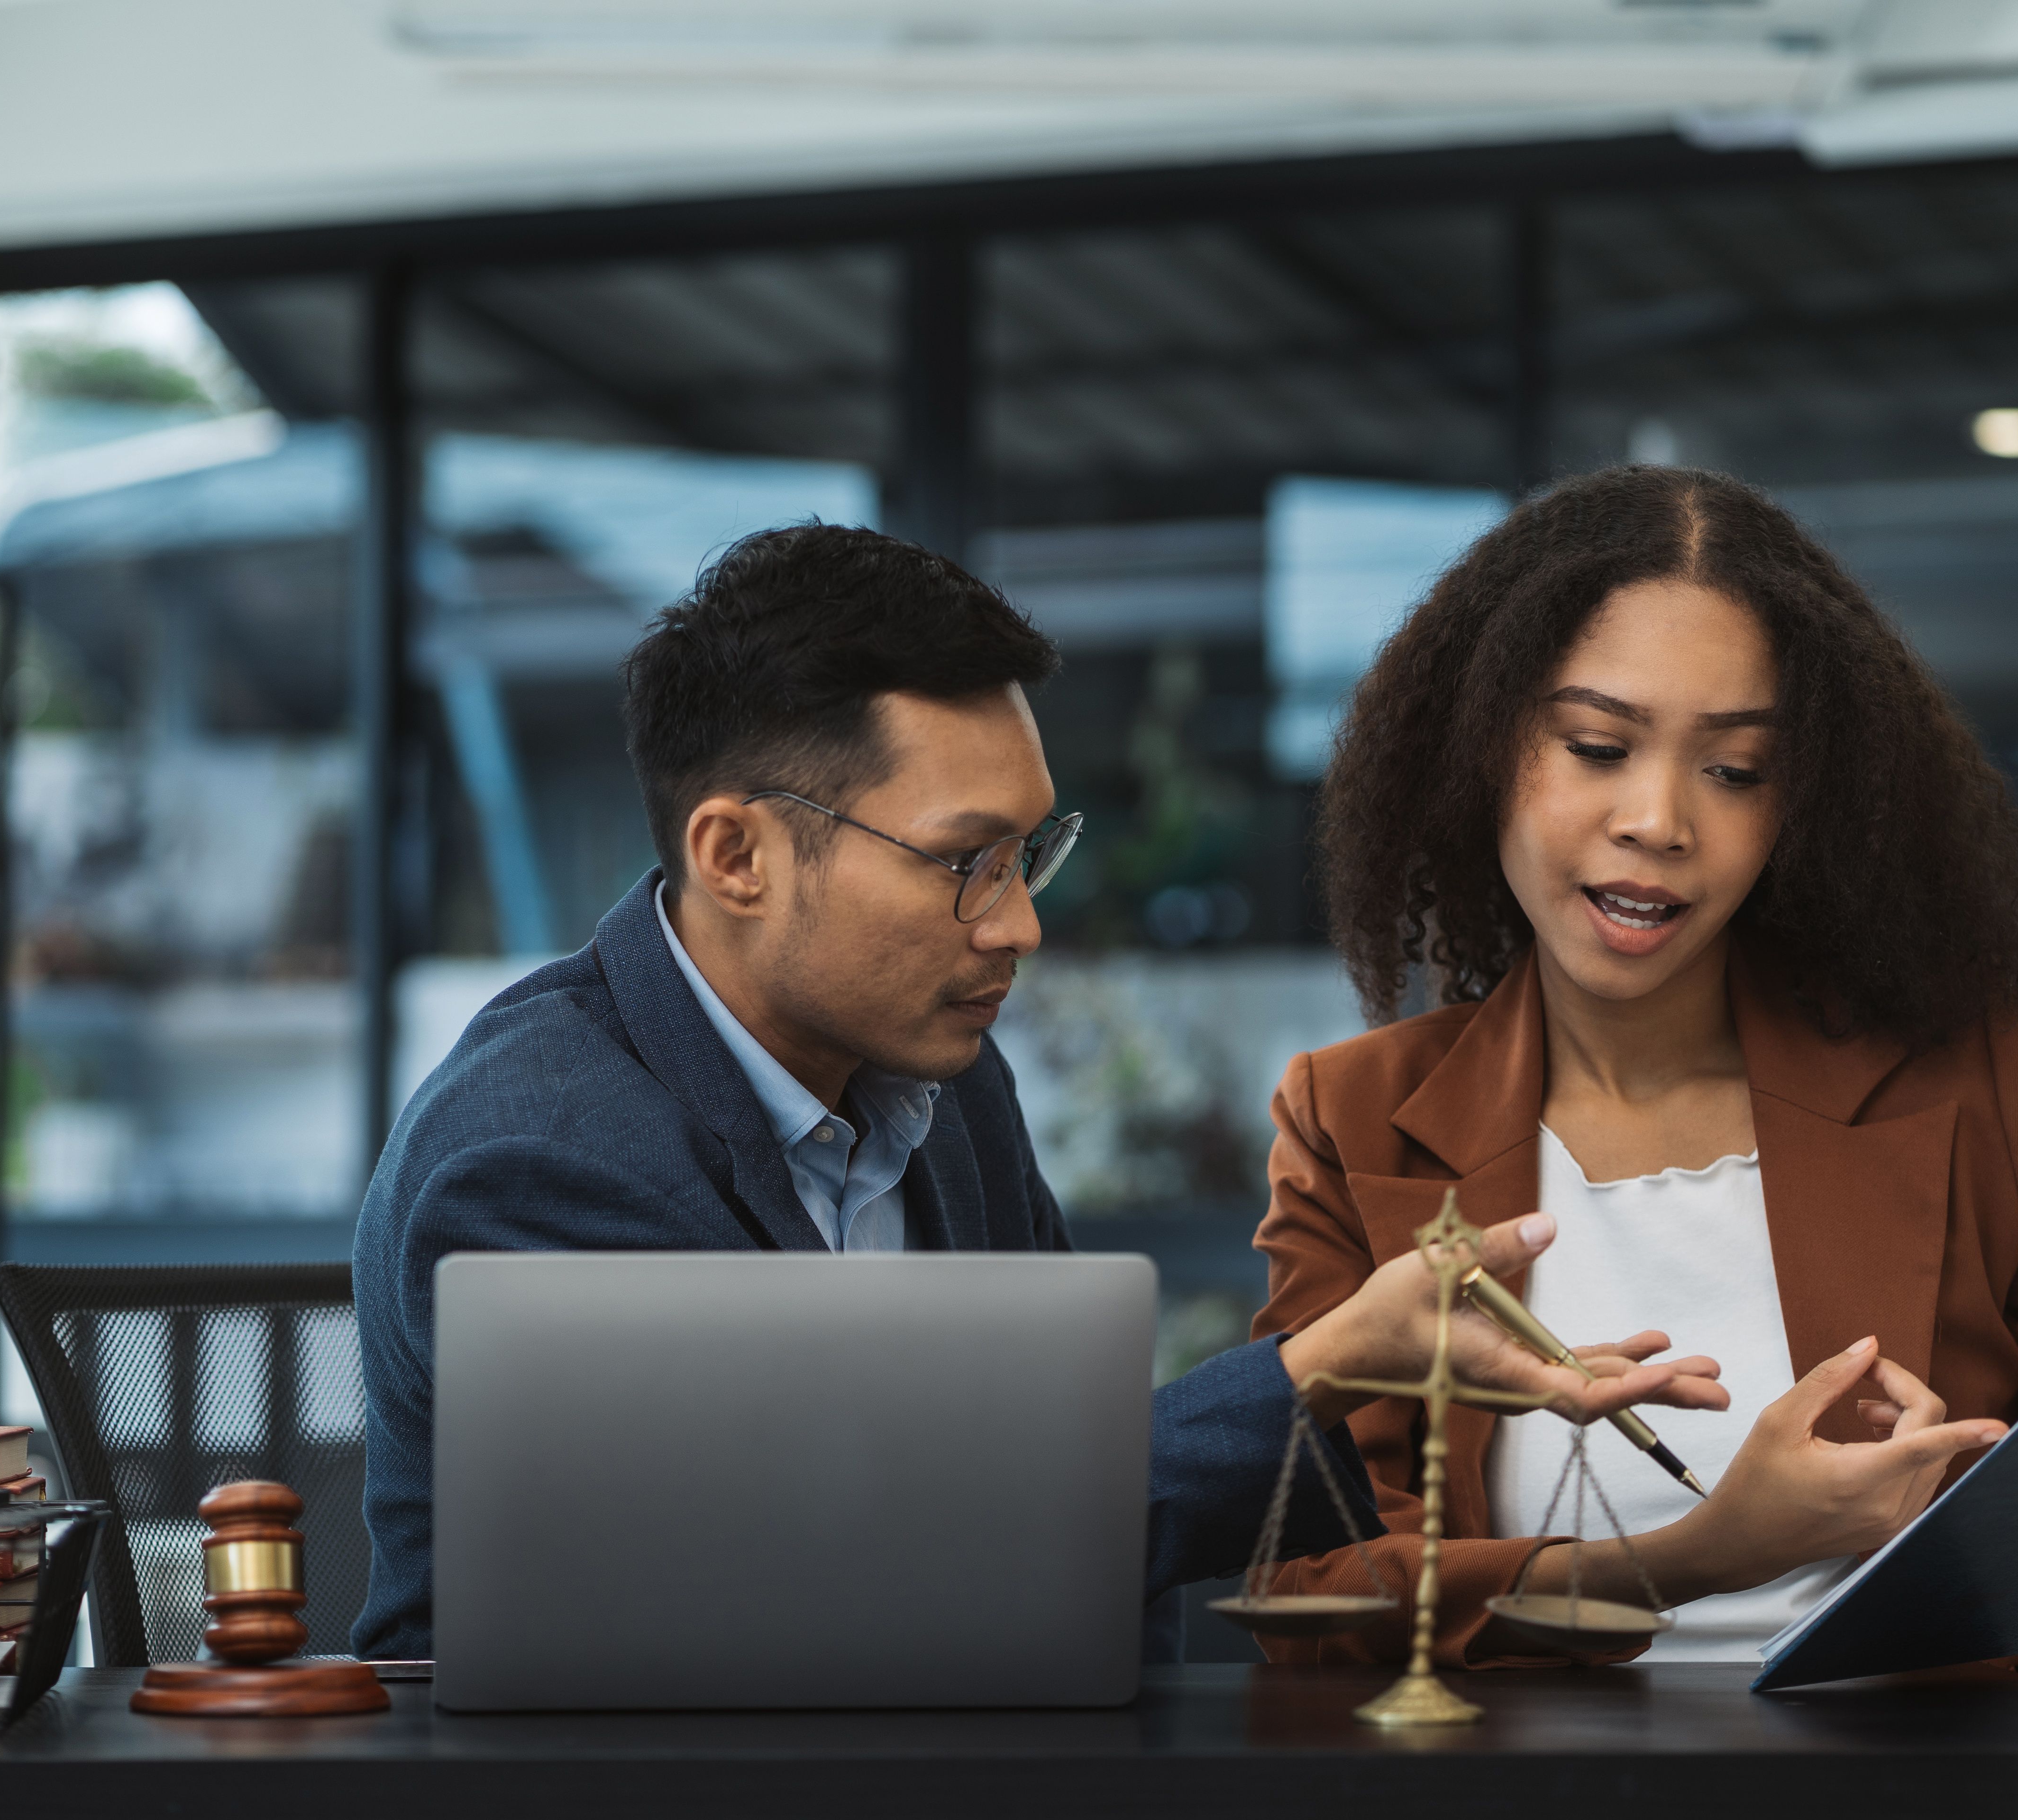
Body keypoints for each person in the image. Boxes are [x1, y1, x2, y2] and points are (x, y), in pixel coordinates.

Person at [1246, 467, 2018, 1820]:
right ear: (1483, 752)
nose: (1660, 819)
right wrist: (1707, 1554)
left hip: (1988, 1805)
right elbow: (1312, 1597)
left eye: (1735, 769)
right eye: (1597, 746)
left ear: (1803, 804)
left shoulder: (1982, 1078)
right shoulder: (1356, 1121)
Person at [352, 523, 1723, 1661]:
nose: (1017, 927)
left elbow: (1072, 1513)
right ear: (736, 855)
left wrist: (1417, 1399)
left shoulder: (940, 1086)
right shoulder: (543, 1155)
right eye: (966, 863)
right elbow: (837, 1571)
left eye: (1030, 854)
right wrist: (1325, 1366)